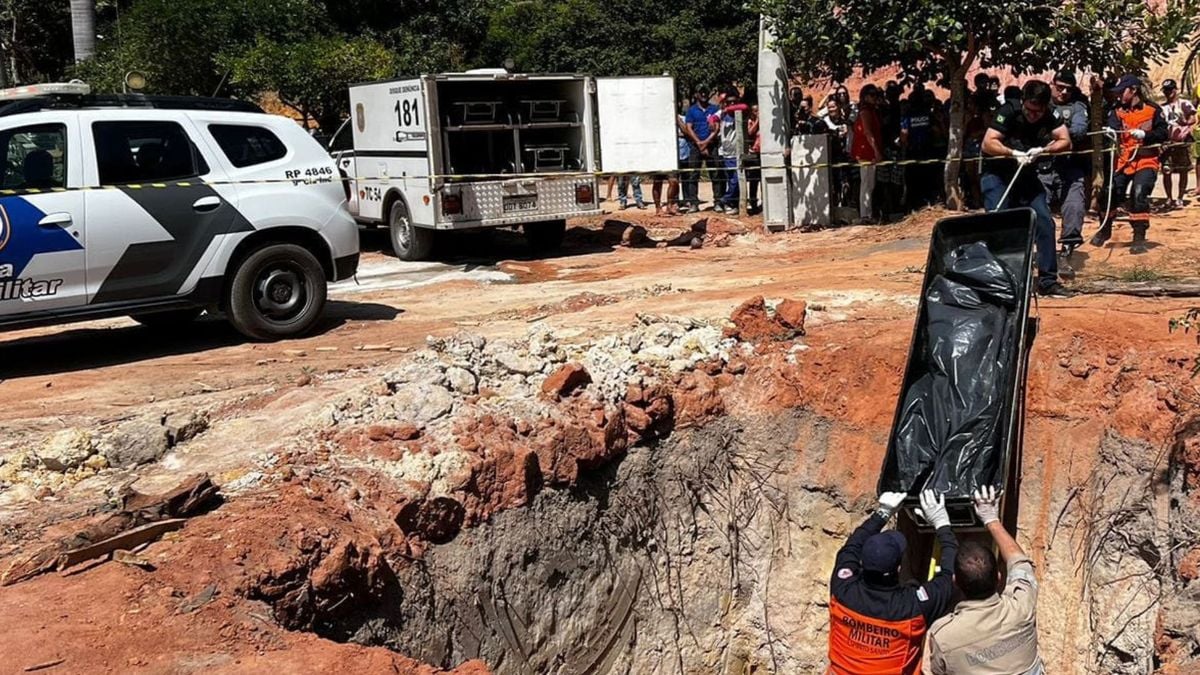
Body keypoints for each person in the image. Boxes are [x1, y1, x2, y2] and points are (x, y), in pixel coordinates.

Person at [828, 490, 958, 674]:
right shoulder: (912, 607)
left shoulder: (843, 591)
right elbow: (950, 575)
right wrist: (942, 523)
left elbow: (850, 549)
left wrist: (881, 514)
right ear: (898, 569)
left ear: (862, 564)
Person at [927, 487, 1044, 674]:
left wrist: (941, 525)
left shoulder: (943, 635)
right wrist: (991, 519)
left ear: (955, 582)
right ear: (999, 577)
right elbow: (1020, 564)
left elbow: (938, 670)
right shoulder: (1021, 607)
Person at [981, 79, 1072, 297]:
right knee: (999, 222)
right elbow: (988, 142)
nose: (1033, 116)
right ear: (1023, 102)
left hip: (1026, 174)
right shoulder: (1008, 111)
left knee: (1043, 221)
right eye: (1029, 111)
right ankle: (999, 281)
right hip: (998, 174)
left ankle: (1048, 281)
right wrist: (1011, 153)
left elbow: (1065, 140)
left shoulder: (1051, 113)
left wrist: (1044, 150)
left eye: (1037, 112)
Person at [1091, 74, 1168, 255]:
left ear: (1133, 91)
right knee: (1110, 191)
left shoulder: (1153, 110)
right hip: (1124, 160)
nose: (1118, 96)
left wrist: (1145, 136)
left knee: (1139, 193)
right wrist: (1109, 132)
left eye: (1121, 92)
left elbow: (1164, 133)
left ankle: (1139, 237)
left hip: (1146, 160)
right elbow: (1112, 125)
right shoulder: (1117, 110)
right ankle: (1105, 229)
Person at [1040, 70, 1089, 281]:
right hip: (1041, 168)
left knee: (1074, 207)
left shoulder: (1077, 107)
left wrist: (1056, 135)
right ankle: (1042, 253)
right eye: (1060, 87)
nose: (1064, 92)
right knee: (1037, 212)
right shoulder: (1040, 105)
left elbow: (1079, 131)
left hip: (1069, 167)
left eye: (1068, 89)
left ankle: (1066, 254)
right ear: (1052, 85)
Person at [1159, 78, 1196, 209]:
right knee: (1166, 170)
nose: (1167, 93)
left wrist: (1184, 123)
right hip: (1168, 143)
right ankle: (1169, 198)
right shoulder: (1162, 108)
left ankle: (1180, 197)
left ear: (1175, 90)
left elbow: (1193, 118)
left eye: (1170, 90)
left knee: (1183, 171)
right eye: (1165, 91)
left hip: (1182, 142)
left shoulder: (1184, 104)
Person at [851, 84, 884, 223]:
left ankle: (868, 213)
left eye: (876, 95)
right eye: (872, 95)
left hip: (868, 150)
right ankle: (865, 215)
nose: (875, 98)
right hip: (865, 151)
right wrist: (877, 151)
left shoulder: (872, 111)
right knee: (867, 183)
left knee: (870, 183)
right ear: (865, 97)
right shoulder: (865, 112)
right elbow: (867, 132)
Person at [684, 87, 719, 211]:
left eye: (706, 92)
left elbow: (717, 128)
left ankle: (718, 202)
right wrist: (699, 143)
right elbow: (689, 127)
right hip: (695, 146)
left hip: (712, 145)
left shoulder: (714, 109)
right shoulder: (691, 110)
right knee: (693, 174)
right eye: (701, 93)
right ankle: (694, 203)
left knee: (715, 174)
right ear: (697, 95)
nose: (704, 95)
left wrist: (706, 142)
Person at [716, 87, 747, 214]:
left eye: (734, 102)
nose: (732, 104)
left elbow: (744, 107)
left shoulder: (739, 112)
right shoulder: (722, 114)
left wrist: (729, 108)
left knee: (736, 179)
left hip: (737, 152)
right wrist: (713, 121)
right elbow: (712, 118)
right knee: (731, 180)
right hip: (726, 153)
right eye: (729, 102)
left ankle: (724, 200)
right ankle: (731, 203)